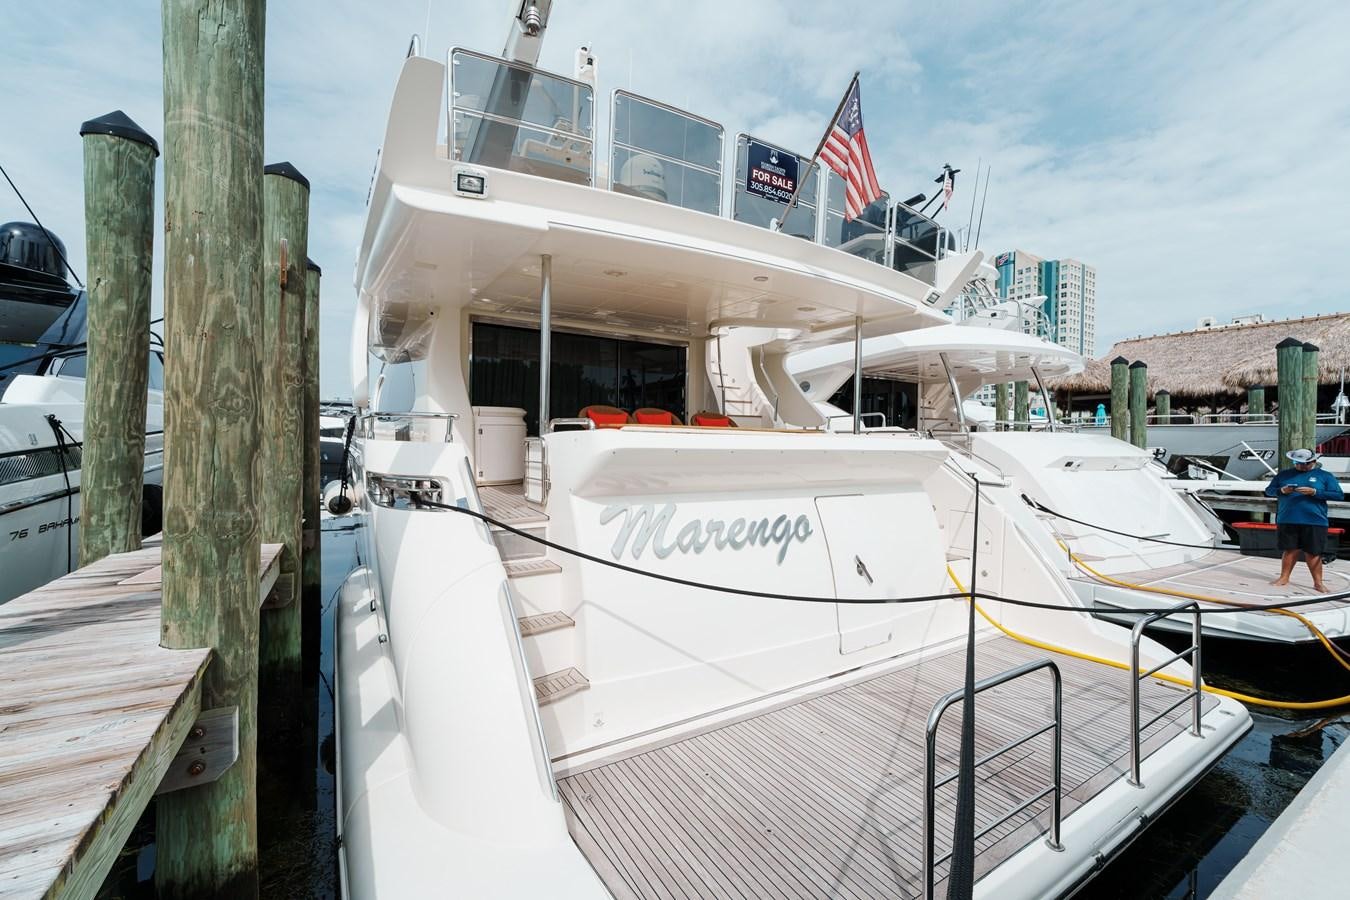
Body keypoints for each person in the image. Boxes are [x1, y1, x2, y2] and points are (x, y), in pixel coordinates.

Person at [1266, 448, 1345, 592]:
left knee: (1313, 552)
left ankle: (1318, 583)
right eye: (1297, 463)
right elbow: (1269, 491)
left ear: (1314, 461)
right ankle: (1284, 578)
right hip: (1288, 519)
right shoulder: (1283, 475)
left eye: (1305, 463)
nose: (1301, 466)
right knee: (1290, 550)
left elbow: (1339, 495)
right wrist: (1282, 491)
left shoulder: (1325, 476)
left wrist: (1315, 492)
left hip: (1315, 520)